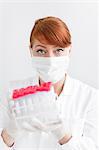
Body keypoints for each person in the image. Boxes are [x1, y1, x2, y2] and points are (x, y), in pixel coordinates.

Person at [0, 16, 98, 150]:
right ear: (31, 51)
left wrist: (63, 135)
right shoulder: (12, 92)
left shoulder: (90, 97)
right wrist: (9, 133)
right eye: (41, 51)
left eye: (59, 50)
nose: (50, 59)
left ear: (70, 50)